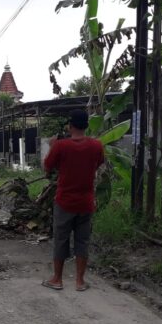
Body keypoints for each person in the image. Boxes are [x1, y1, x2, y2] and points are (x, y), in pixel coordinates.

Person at [42, 109, 104, 292]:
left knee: (61, 240)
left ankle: (57, 279)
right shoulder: (96, 146)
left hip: (64, 201)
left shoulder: (61, 146)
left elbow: (47, 167)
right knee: (82, 241)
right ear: (86, 125)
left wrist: (52, 146)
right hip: (86, 201)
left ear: (70, 126)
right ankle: (80, 282)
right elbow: (98, 163)